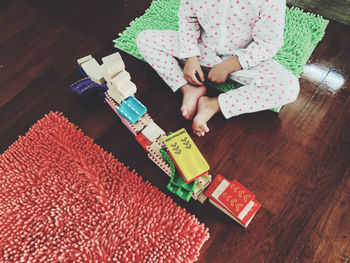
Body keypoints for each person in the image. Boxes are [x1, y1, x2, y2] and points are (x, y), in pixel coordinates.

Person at [136, 0, 299, 136]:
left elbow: (268, 43)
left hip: (244, 57)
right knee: (145, 39)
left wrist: (232, 64)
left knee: (288, 87)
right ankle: (189, 89)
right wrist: (190, 56)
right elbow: (188, 19)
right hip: (202, 49)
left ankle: (213, 104)